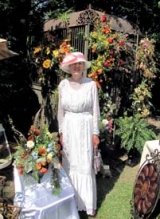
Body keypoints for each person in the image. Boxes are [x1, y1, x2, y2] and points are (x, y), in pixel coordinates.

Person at [57, 52, 100, 217]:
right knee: (70, 163)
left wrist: (95, 133)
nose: (77, 66)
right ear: (69, 67)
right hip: (69, 127)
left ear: (83, 66)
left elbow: (95, 111)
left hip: (85, 127)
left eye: (80, 64)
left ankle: (88, 204)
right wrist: (61, 131)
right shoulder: (63, 85)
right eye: (74, 64)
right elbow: (60, 111)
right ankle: (71, 202)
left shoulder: (90, 85)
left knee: (85, 163)